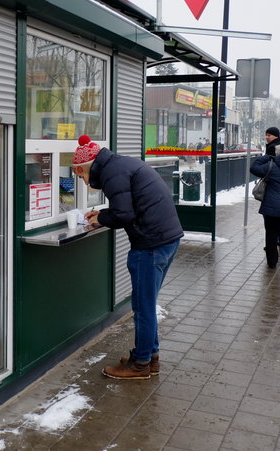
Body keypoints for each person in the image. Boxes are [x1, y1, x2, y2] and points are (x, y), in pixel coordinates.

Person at [72, 135, 183, 380]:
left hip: (150, 244)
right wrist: (101, 213)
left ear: (87, 167)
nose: (83, 181)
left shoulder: (112, 174)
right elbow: (130, 205)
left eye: (81, 176)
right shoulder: (121, 165)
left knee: (143, 307)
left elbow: (123, 214)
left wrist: (100, 219)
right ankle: (149, 357)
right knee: (147, 303)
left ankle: (140, 364)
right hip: (166, 239)